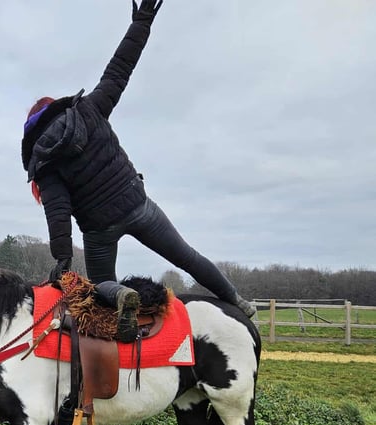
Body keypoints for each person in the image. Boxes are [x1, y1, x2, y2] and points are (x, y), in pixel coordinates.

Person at [21, 0, 255, 342]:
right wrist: (141, 22)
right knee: (188, 257)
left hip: (99, 230)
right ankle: (238, 301)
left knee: (101, 285)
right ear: (56, 107)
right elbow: (120, 69)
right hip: (138, 205)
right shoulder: (89, 110)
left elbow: (58, 215)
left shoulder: (43, 162)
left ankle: (122, 297)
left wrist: (63, 260)